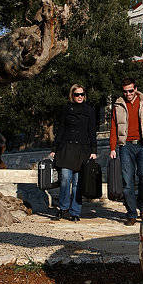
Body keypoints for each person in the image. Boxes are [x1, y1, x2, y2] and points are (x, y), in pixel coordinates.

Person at [109, 78, 143, 226]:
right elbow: (114, 127)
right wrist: (112, 148)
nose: (128, 94)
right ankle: (131, 213)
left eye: (130, 91)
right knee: (127, 181)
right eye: (125, 91)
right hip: (125, 146)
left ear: (136, 89)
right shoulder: (118, 105)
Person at [50, 84, 97, 221]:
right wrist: (54, 149)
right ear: (72, 95)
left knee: (78, 183)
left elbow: (92, 131)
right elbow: (61, 129)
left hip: (83, 150)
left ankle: (75, 211)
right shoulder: (66, 109)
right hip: (67, 148)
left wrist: (94, 150)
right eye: (77, 94)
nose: (80, 97)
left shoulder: (89, 110)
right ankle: (63, 209)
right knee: (65, 179)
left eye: (82, 94)